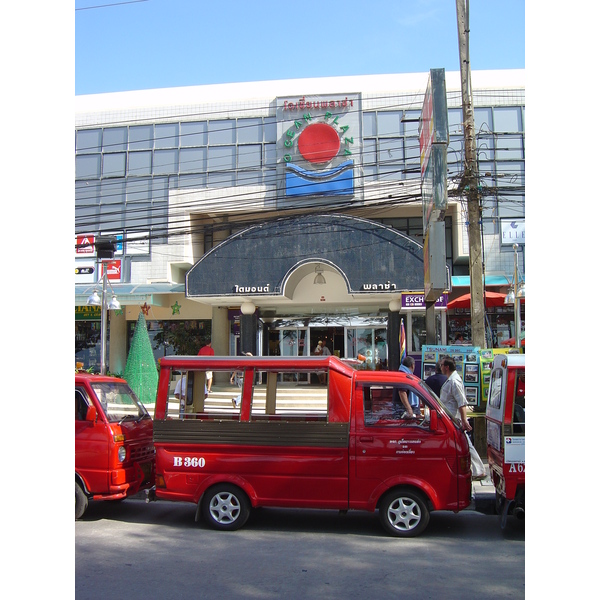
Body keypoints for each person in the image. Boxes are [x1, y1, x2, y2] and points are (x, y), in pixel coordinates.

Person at [439, 357, 472, 432]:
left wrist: (464, 420)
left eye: (441, 365)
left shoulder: (454, 381)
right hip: (448, 420)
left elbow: (461, 401)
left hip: (453, 421)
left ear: (447, 367)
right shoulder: (450, 379)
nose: (440, 367)